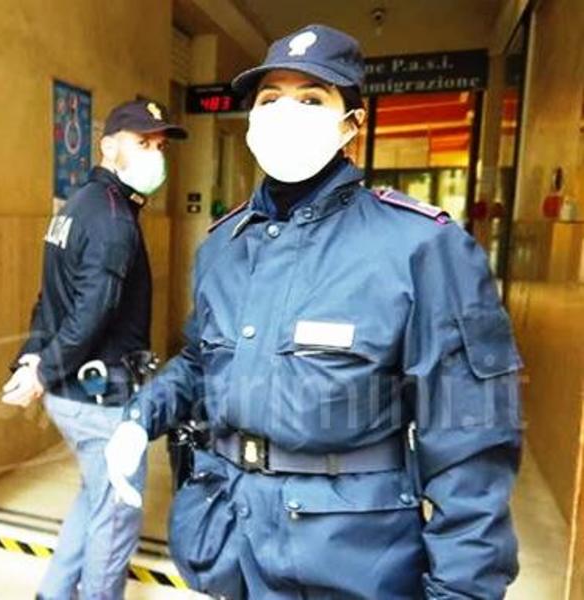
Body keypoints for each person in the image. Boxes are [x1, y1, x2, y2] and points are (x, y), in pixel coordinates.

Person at [106, 24, 522, 600]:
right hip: (231, 536)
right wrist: (139, 417)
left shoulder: (421, 248)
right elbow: (202, 362)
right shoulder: (224, 245)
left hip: (349, 557)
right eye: (270, 99)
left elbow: (471, 445)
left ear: (352, 124)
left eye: (311, 99)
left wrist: (462, 591)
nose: (285, 115)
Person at [1, 98, 187, 600]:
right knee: (117, 515)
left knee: (95, 494)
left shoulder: (79, 204)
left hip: (71, 391)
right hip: (99, 398)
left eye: (159, 146)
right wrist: (42, 370)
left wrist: (35, 356)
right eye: (142, 143)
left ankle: (54, 592)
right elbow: (91, 312)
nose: (155, 156)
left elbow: (48, 297)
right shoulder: (113, 219)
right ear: (108, 146)